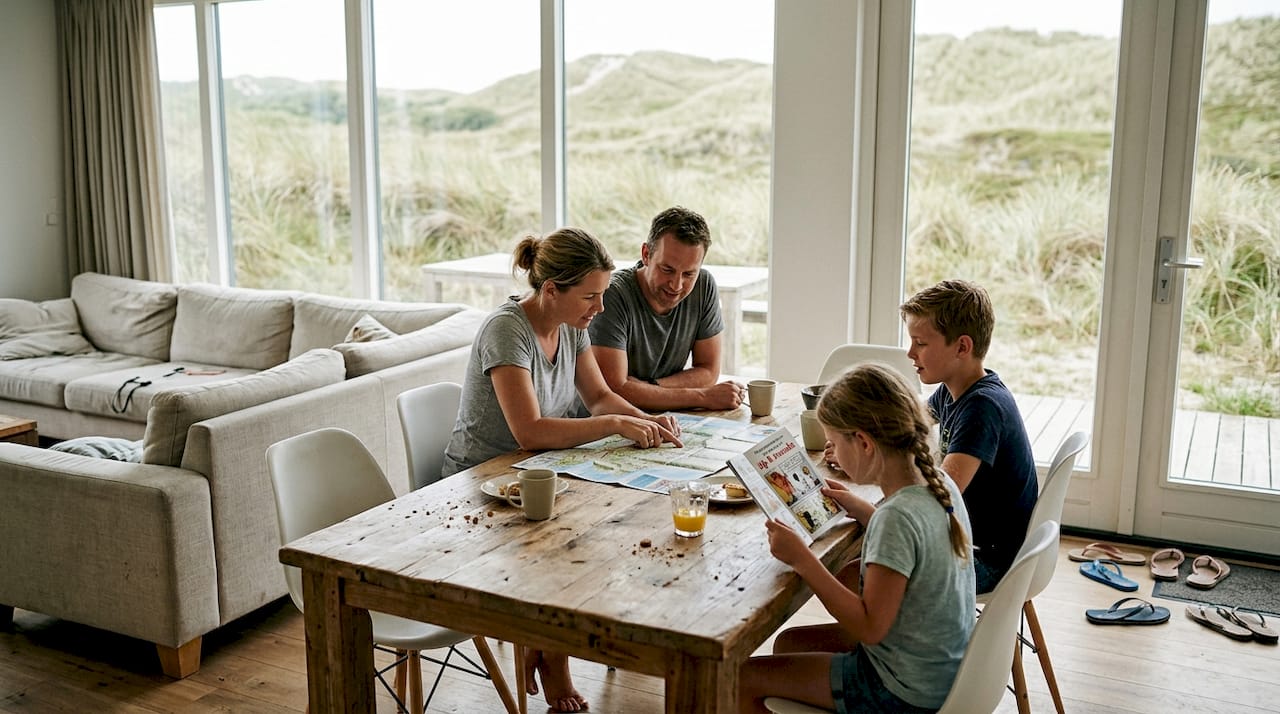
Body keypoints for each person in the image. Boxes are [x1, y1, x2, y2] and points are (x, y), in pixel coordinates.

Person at [441, 226, 683, 712]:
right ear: (551, 289)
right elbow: (529, 430)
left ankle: (542, 640)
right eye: (590, 296)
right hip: (481, 485)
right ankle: (552, 657)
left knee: (607, 529)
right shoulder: (506, 330)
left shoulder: (573, 325)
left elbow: (597, 397)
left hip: (538, 474)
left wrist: (645, 420)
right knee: (573, 545)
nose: (598, 307)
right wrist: (615, 424)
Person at [739, 364, 976, 713]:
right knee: (790, 642)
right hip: (942, 669)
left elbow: (869, 627)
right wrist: (864, 509)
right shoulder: (940, 483)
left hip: (902, 691)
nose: (831, 451)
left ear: (864, 443)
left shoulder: (896, 519)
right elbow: (912, 541)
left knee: (744, 678)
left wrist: (802, 559)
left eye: (833, 443)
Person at [899, 279, 1037, 593]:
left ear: (962, 347)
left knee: (872, 570)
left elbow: (942, 496)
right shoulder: (953, 391)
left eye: (920, 343)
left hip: (989, 561)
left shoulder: (982, 407)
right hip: (969, 541)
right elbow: (908, 424)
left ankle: (894, 639)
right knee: (869, 566)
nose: (910, 352)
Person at [587, 206, 746, 411]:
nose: (676, 285)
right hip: (605, 423)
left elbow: (708, 370)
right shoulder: (612, 295)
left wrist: (652, 387)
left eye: (689, 274)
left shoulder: (704, 285)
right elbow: (615, 390)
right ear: (646, 254)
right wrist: (701, 396)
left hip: (667, 417)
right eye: (667, 270)